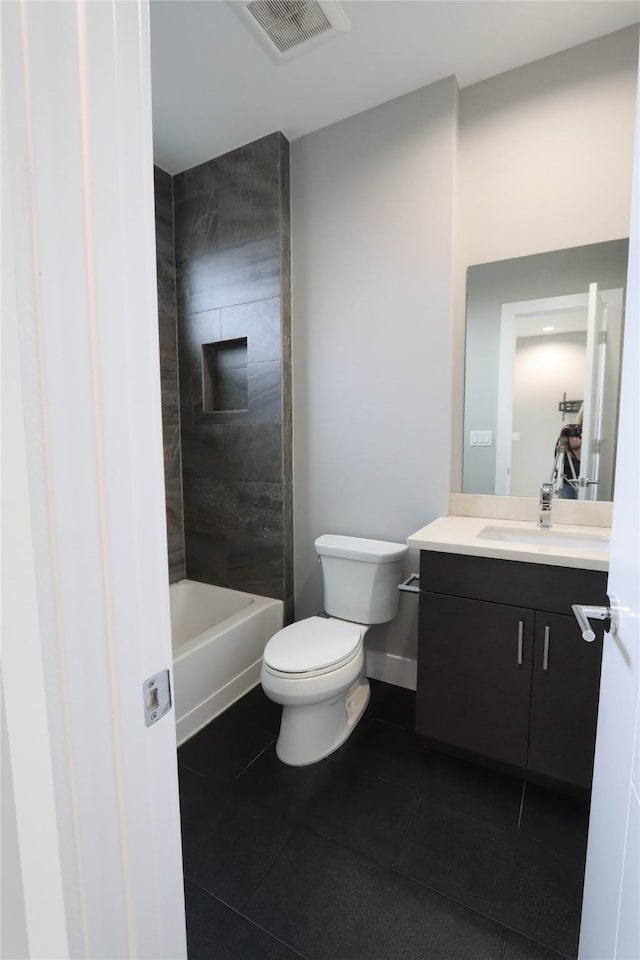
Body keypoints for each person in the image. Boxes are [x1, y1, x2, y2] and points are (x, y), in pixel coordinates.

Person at [553, 424, 582, 499]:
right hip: (565, 482)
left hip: (580, 482)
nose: (576, 439)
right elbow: (557, 465)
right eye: (572, 437)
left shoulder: (584, 448)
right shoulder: (563, 450)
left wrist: (577, 447)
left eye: (578, 436)